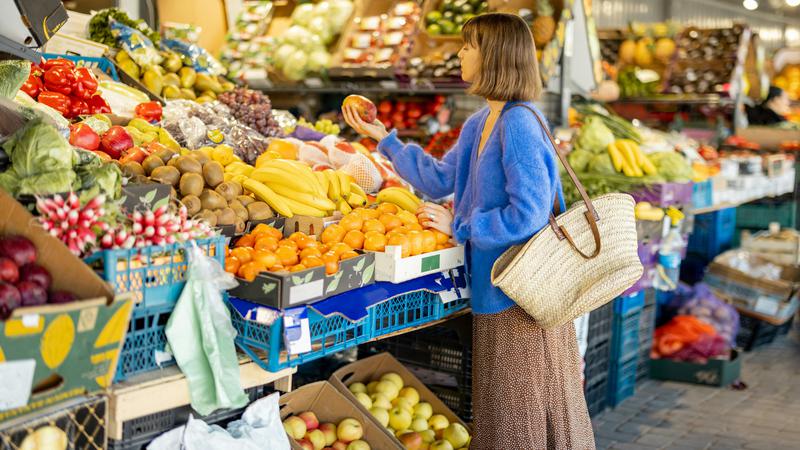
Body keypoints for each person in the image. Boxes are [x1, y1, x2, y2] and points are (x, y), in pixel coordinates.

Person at [343, 12, 595, 450]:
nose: (460, 53)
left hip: (520, 296)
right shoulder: (482, 122)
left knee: (518, 416)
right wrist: (383, 138)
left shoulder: (518, 123)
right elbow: (440, 178)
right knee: (502, 412)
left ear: (494, 56)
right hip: (493, 287)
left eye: (469, 45)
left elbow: (529, 214)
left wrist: (461, 226)